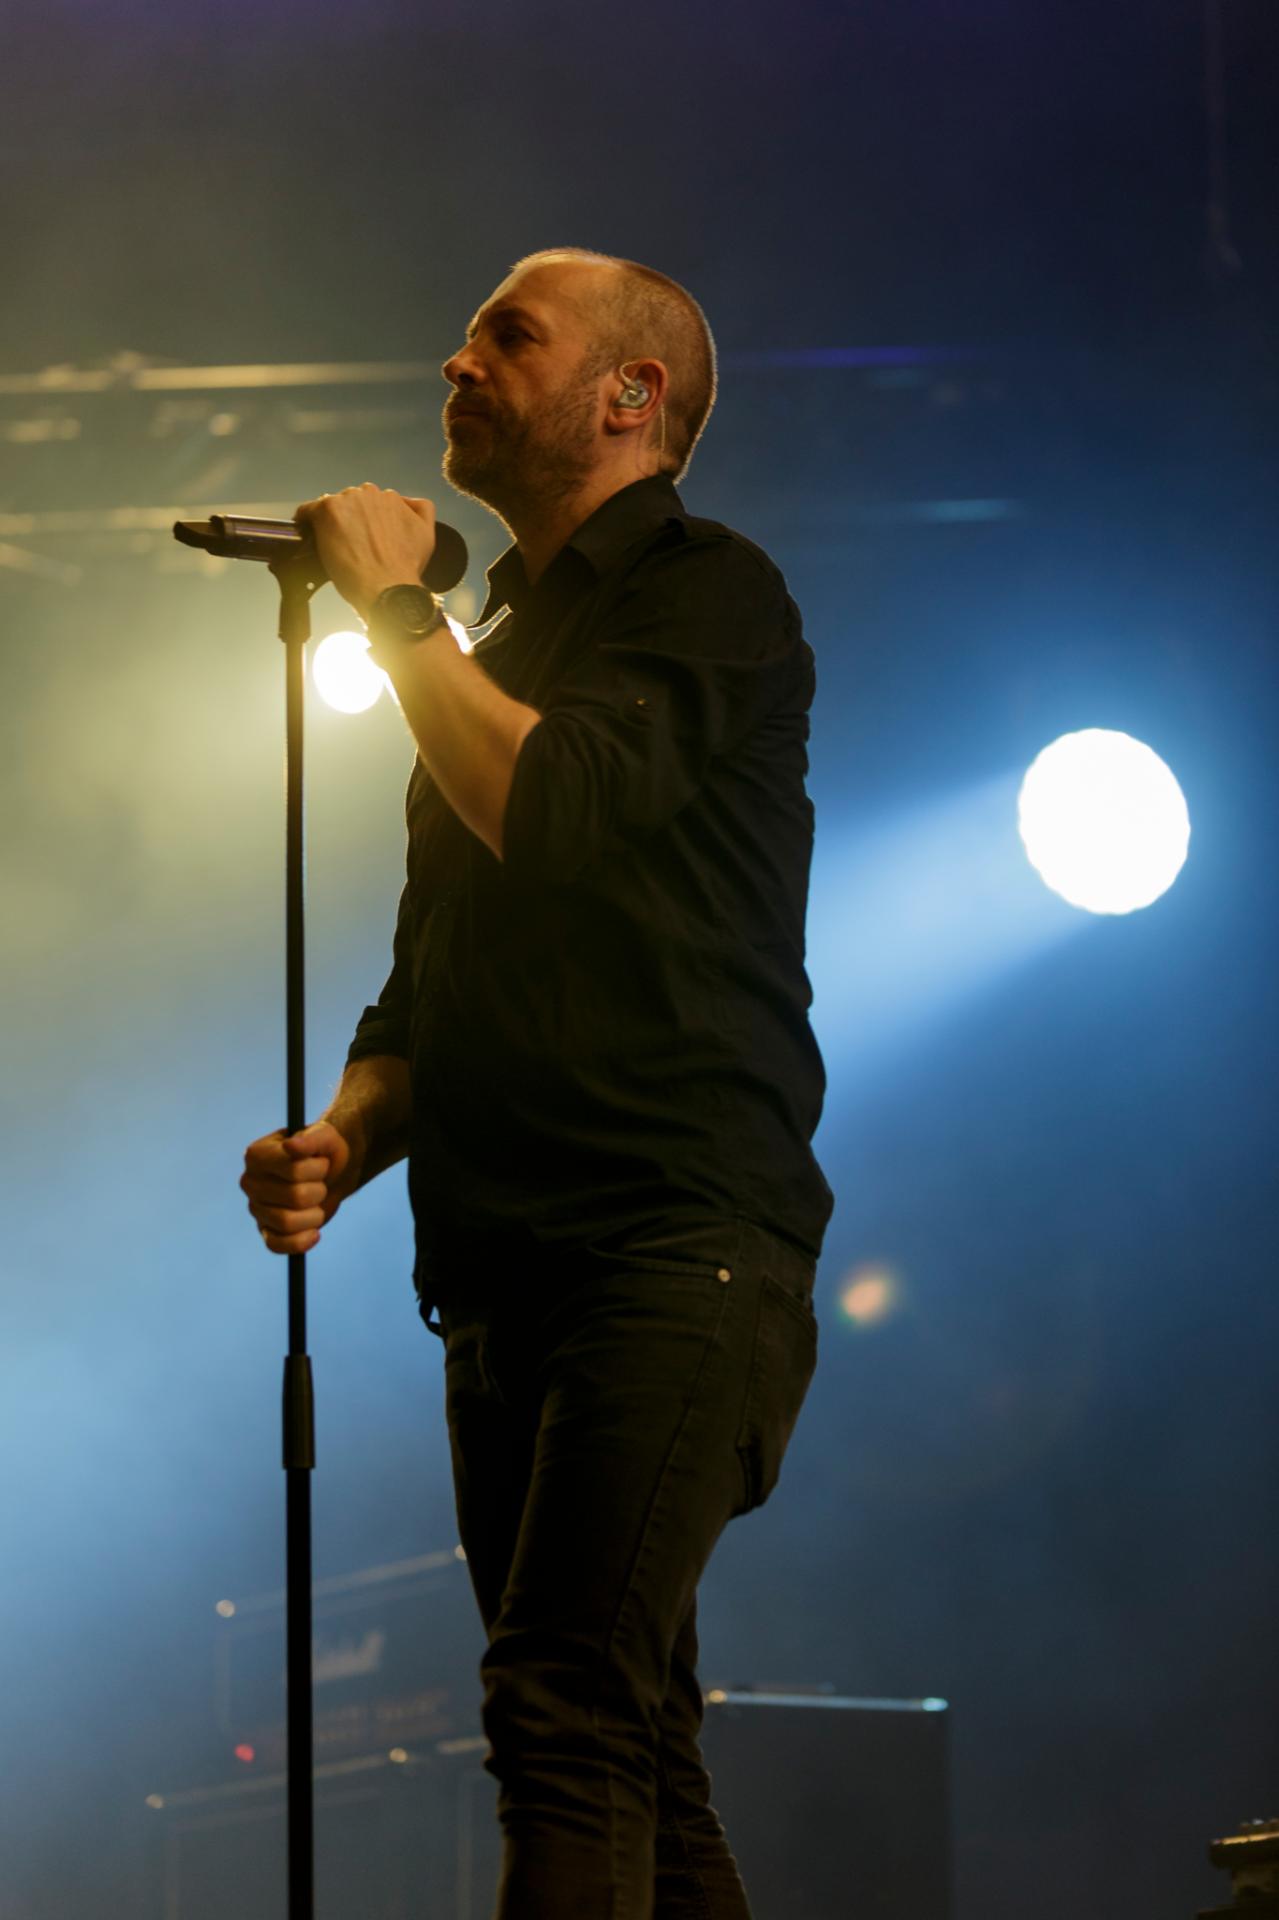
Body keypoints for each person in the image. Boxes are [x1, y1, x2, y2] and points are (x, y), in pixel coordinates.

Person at [240, 246, 833, 1919]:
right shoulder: (489, 647)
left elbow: (556, 806)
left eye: (509, 336)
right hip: (505, 1276)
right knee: (631, 1747)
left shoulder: (711, 592)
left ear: (631, 395)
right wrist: (342, 1137)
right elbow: (426, 991)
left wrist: (396, 614)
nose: (459, 362)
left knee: (559, 1705)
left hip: (674, 1248)